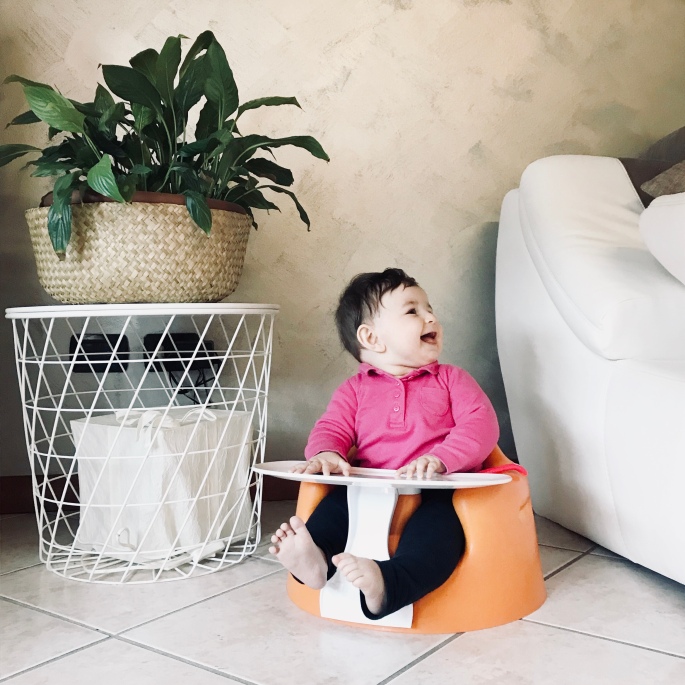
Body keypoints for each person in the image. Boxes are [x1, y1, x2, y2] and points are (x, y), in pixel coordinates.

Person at [269, 268, 499, 619]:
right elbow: (332, 427)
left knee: (438, 537)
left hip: (438, 490)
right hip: (367, 488)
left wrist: (441, 458)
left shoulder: (452, 379)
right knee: (332, 511)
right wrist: (326, 453)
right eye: (413, 310)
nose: (430, 317)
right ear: (371, 338)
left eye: (429, 309)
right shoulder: (354, 390)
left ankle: (389, 585)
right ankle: (314, 561)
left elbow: (481, 424)